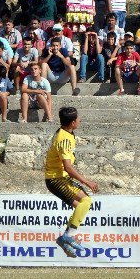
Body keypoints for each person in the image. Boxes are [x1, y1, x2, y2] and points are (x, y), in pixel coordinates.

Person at [44, 107, 100, 258]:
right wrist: (87, 182)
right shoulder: (64, 138)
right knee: (86, 201)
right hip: (56, 179)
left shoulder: (65, 132)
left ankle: (66, 239)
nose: (80, 120)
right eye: (78, 119)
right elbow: (68, 168)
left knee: (80, 207)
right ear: (73, 122)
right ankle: (67, 237)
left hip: (58, 177)